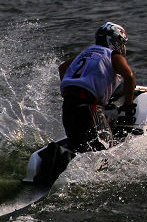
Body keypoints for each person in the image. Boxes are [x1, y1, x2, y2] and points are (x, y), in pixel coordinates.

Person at [57, 22, 136, 152]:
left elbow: (62, 68)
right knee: (104, 150)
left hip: (68, 106)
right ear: (114, 41)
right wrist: (128, 105)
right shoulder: (113, 55)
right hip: (89, 108)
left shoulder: (85, 53)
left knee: (77, 148)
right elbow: (129, 76)